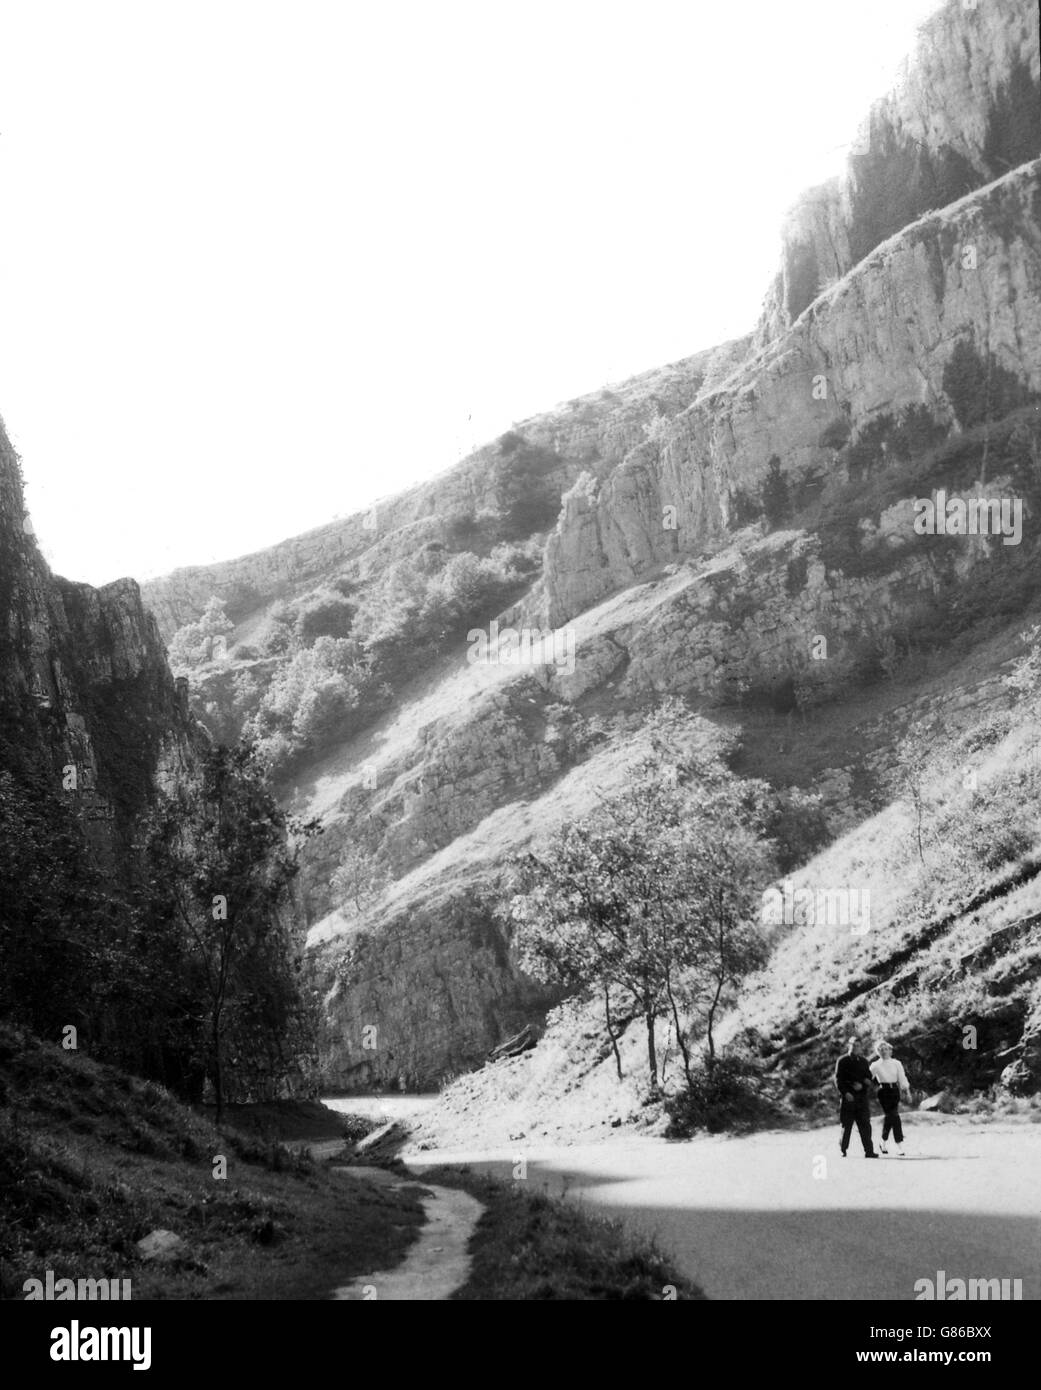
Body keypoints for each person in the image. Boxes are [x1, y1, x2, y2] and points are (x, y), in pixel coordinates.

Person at [835, 1034, 878, 1157]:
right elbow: (838, 1080)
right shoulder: (842, 1060)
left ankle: (869, 1151)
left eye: (858, 1046)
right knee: (846, 1125)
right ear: (849, 1045)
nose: (856, 1048)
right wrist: (845, 1093)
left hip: (861, 1098)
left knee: (865, 1125)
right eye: (854, 1045)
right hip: (848, 1097)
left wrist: (864, 1085)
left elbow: (868, 1078)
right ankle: (843, 1149)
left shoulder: (864, 1061)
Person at [870, 1039, 911, 1156]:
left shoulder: (896, 1063)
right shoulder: (875, 1065)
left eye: (886, 1049)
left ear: (890, 1050)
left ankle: (883, 1142)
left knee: (890, 1117)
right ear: (878, 1052)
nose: (884, 1051)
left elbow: (902, 1079)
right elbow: (867, 1078)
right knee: (894, 1116)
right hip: (884, 1091)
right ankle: (899, 1145)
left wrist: (907, 1092)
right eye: (881, 1050)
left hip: (894, 1091)